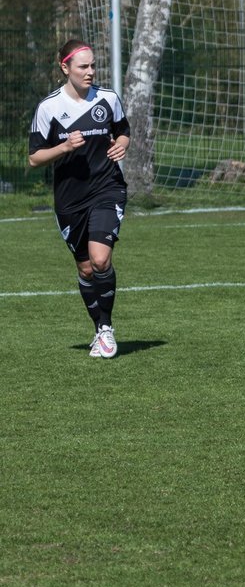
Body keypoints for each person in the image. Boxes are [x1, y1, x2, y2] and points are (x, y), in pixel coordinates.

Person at [28, 39, 131, 358]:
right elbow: (34, 158)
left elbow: (123, 128)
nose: (90, 72)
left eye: (93, 66)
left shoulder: (108, 98)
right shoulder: (49, 108)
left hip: (107, 188)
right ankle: (99, 328)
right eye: (83, 66)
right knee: (86, 269)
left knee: (100, 260)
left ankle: (106, 329)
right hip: (70, 200)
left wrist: (123, 144)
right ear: (65, 68)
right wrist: (63, 148)